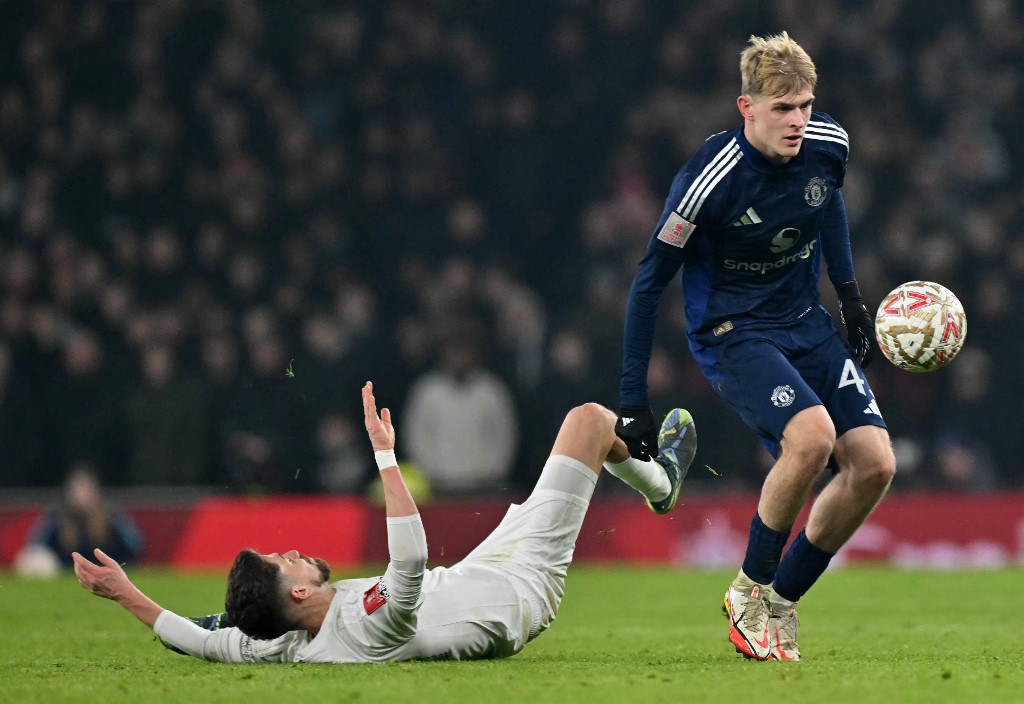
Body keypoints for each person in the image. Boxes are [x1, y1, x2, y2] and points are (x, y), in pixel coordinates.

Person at [614, 32, 896, 662]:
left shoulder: (829, 143)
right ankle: (748, 590)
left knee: (875, 465)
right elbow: (648, 282)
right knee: (813, 438)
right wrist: (634, 402)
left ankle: (781, 603)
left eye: (805, 105)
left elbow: (828, 206)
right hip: (733, 331)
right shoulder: (707, 181)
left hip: (805, 322)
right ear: (747, 108)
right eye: (782, 108)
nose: (798, 121)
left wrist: (849, 296)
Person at [72, 381, 696, 664]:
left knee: (587, 426)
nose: (291, 551)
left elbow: (201, 638)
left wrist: (122, 591)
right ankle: (661, 484)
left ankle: (657, 481)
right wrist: (385, 453)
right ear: (297, 590)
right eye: (283, 560)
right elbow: (410, 560)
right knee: (587, 420)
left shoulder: (281, 643)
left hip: (477, 572)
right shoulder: (365, 628)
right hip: (522, 589)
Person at [17, 463, 144, 577]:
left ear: (95, 492)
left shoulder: (111, 518)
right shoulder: (58, 519)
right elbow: (35, 546)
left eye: (86, 490)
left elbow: (134, 546)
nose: (81, 496)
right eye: (77, 491)